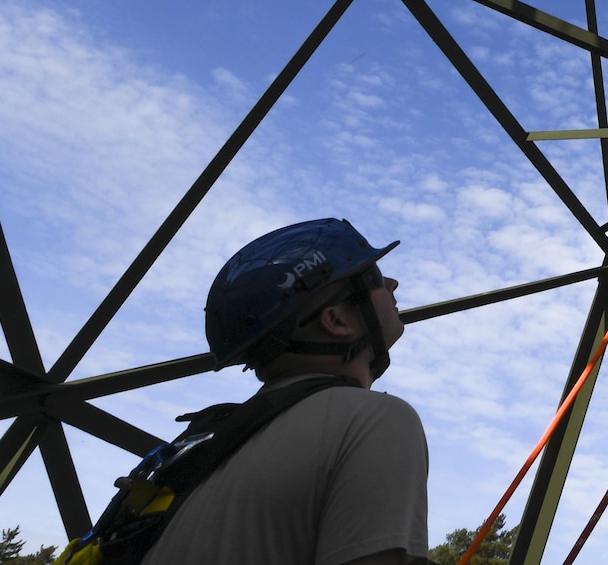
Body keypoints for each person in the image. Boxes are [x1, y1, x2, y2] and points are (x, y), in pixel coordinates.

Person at [145, 218, 428, 565]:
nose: (392, 282)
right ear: (336, 321)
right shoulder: (371, 421)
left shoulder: (211, 447)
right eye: (372, 278)